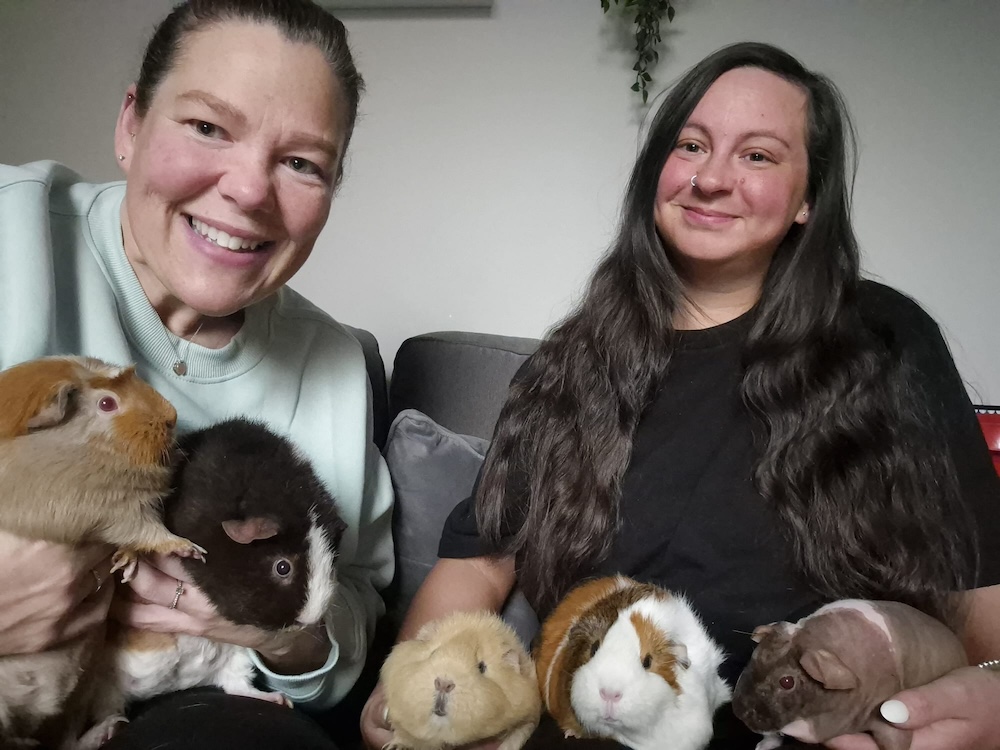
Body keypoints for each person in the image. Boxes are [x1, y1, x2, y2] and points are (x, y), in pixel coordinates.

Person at [360, 42, 1000, 750]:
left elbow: (976, 581)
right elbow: (477, 563)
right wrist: (411, 685)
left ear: (807, 199)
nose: (712, 178)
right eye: (691, 145)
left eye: (758, 156)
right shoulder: (571, 360)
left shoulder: (885, 338)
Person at [0, 1, 392, 748]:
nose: (248, 190)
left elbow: (357, 599)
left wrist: (276, 633)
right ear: (130, 125)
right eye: (208, 127)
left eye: (302, 163)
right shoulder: (10, 232)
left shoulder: (331, 363)